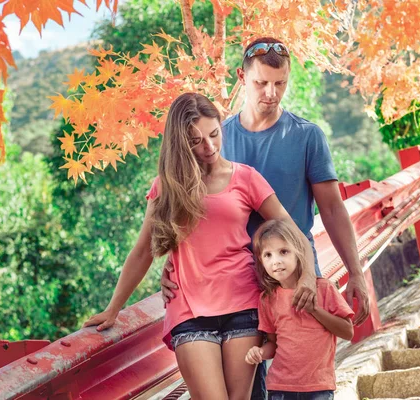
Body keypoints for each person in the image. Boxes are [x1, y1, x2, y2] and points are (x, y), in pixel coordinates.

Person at [160, 37, 370, 400]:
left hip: (296, 280)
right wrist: (171, 261)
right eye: (261, 83)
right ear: (243, 77)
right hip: (239, 286)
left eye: (280, 83)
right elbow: (187, 208)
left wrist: (356, 273)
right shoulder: (216, 138)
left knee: (305, 384)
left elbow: (333, 210)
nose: (271, 93)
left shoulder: (307, 136)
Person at [82, 92, 315, 400]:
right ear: (180, 143)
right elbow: (143, 251)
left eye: (214, 134)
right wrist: (113, 309)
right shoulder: (166, 187)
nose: (209, 147)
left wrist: (309, 276)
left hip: (243, 305)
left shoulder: (245, 178)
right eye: (195, 141)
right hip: (189, 311)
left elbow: (290, 230)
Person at [245, 219, 354, 400]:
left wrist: (314, 310)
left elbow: (347, 331)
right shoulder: (267, 299)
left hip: (318, 386)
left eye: (283, 252)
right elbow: (273, 344)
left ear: (298, 252)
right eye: (268, 255)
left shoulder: (323, 288)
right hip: (280, 386)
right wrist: (260, 352)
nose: (276, 261)